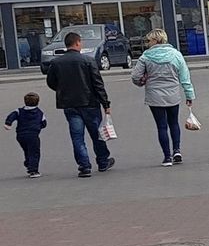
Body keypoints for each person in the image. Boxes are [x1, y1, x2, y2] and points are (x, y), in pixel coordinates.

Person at [45, 31, 114, 178]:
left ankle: (84, 166)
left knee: (77, 137)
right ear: (77, 43)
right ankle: (102, 161)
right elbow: (98, 84)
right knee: (96, 135)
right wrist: (105, 103)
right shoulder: (88, 60)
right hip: (89, 102)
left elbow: (51, 82)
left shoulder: (56, 63)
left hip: (69, 103)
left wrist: (62, 90)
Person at [130, 29, 196, 166]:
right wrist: (189, 95)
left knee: (161, 126)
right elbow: (185, 77)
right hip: (173, 95)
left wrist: (142, 82)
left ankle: (167, 157)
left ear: (156, 40)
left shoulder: (145, 57)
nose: (147, 43)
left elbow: (135, 76)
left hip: (154, 96)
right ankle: (177, 150)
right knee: (174, 123)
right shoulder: (176, 54)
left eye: (149, 40)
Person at [4, 92, 46, 177]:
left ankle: (29, 162)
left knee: (26, 150)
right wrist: (38, 127)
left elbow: (11, 116)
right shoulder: (39, 112)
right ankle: (33, 170)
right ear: (38, 102)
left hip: (21, 135)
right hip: (33, 135)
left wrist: (8, 123)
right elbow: (44, 123)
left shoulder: (19, 111)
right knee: (34, 152)